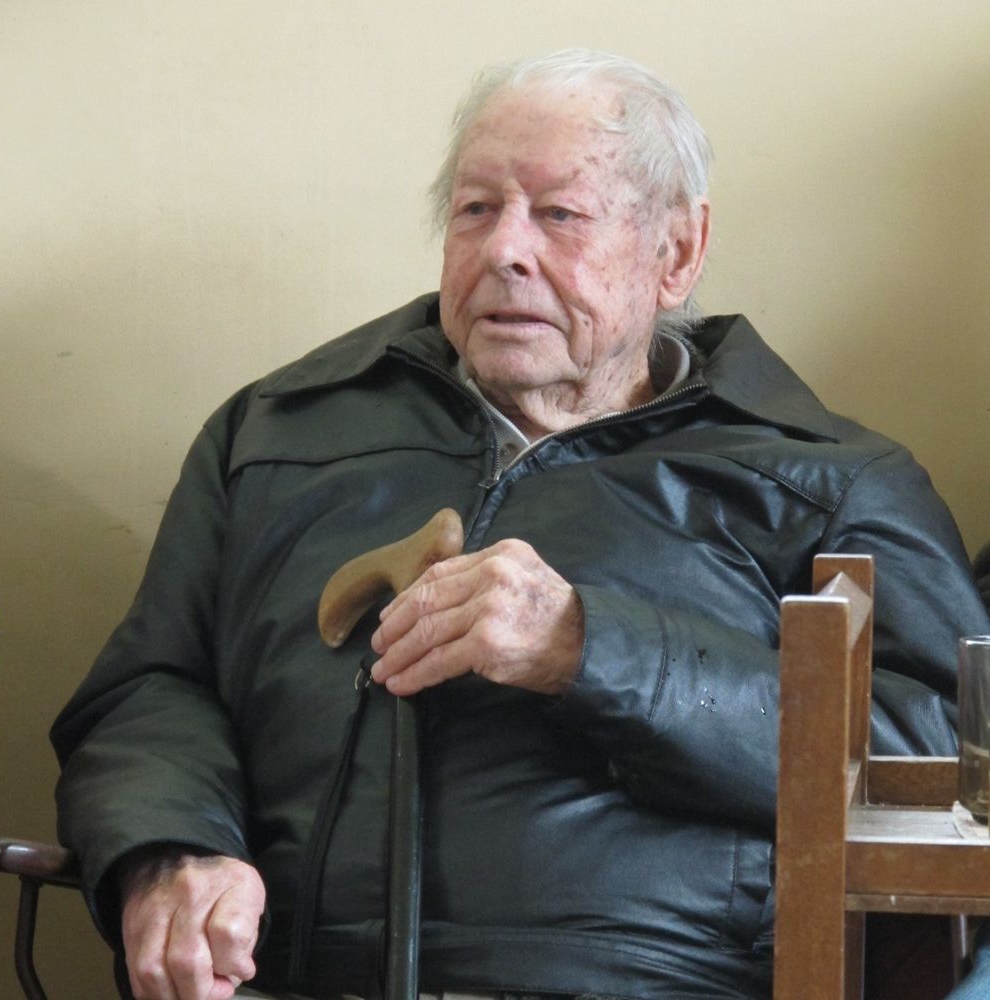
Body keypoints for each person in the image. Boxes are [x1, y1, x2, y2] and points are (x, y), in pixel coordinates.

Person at [51, 49, 990, 1000]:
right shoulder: (274, 435)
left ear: (676, 253)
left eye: (560, 214)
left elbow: (957, 758)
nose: (505, 248)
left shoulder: (824, 480)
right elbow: (151, 687)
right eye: (475, 209)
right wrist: (169, 848)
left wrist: (593, 647)